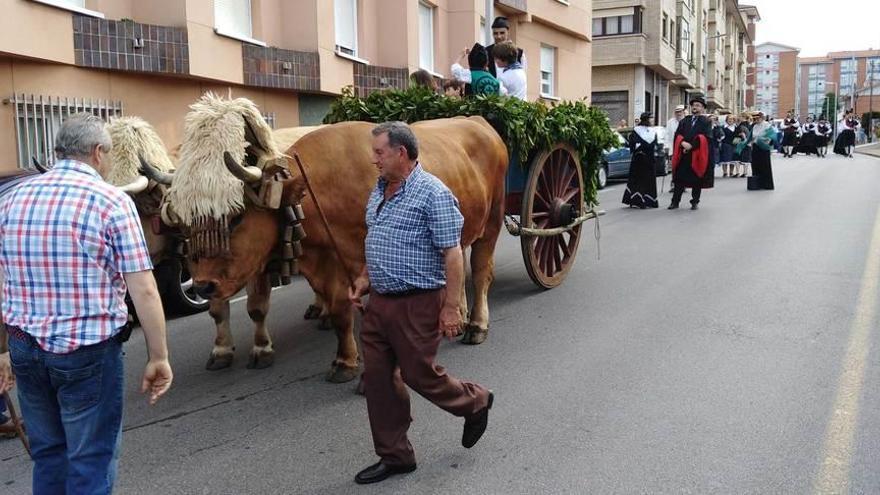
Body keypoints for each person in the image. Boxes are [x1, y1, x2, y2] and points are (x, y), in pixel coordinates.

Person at [0, 113, 172, 494]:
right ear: (97, 153)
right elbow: (143, 288)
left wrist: (2, 351)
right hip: (87, 353)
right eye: (108, 154)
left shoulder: (12, 199)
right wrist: (158, 356)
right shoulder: (111, 201)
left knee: (48, 454)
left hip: (25, 347)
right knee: (90, 458)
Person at [350, 122, 493, 485]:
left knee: (418, 374)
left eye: (379, 152)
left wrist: (450, 307)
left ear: (401, 153)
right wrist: (365, 277)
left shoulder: (433, 193)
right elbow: (376, 237)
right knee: (378, 380)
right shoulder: (379, 190)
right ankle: (395, 456)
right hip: (380, 303)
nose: (373, 159)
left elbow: (452, 253)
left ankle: (474, 402)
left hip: (418, 303)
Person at [669, 96, 712, 210]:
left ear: (702, 109)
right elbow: (678, 135)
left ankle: (694, 201)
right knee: (679, 179)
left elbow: (706, 137)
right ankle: (675, 202)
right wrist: (682, 143)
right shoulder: (685, 120)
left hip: (696, 155)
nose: (695, 107)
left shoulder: (706, 122)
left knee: (696, 179)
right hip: (683, 154)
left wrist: (691, 146)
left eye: (698, 105)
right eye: (693, 105)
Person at [622, 112, 659, 209]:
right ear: (646, 119)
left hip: (650, 159)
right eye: (651, 118)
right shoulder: (636, 130)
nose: (652, 120)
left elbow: (655, 144)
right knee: (639, 180)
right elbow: (633, 144)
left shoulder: (653, 131)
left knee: (649, 179)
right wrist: (641, 147)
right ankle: (637, 200)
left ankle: (649, 200)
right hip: (640, 159)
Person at [749, 111, 776, 190]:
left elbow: (771, 136)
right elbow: (752, 136)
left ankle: (766, 184)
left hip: (763, 147)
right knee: (756, 164)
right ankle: (757, 183)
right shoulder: (754, 126)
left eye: (757, 118)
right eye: (755, 119)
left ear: (762, 118)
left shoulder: (767, 125)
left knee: (765, 165)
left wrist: (766, 140)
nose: (756, 120)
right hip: (756, 147)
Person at [665, 104, 687, 192]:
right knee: (674, 167)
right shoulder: (670, 122)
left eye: (680, 112)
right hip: (673, 148)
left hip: (684, 147)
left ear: (683, 112)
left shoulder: (687, 121)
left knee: (684, 167)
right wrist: (666, 146)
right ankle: (673, 185)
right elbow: (667, 134)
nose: (678, 113)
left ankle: (683, 184)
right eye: (677, 112)